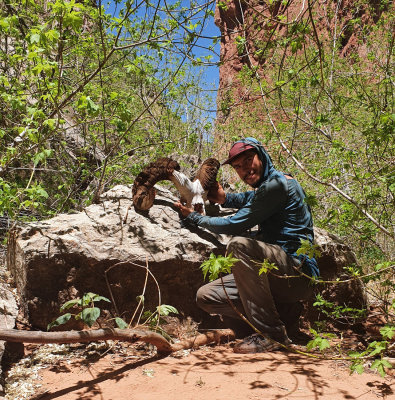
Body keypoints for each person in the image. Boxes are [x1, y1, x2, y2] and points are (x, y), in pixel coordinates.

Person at [174, 137, 319, 353]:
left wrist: (195, 218)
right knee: (206, 297)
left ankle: (272, 335)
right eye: (238, 167)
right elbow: (253, 198)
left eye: (249, 160)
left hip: (297, 274)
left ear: (262, 156)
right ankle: (278, 319)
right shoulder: (269, 186)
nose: (245, 170)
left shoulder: (280, 183)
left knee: (239, 246)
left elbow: (234, 223)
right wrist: (226, 199)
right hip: (274, 275)